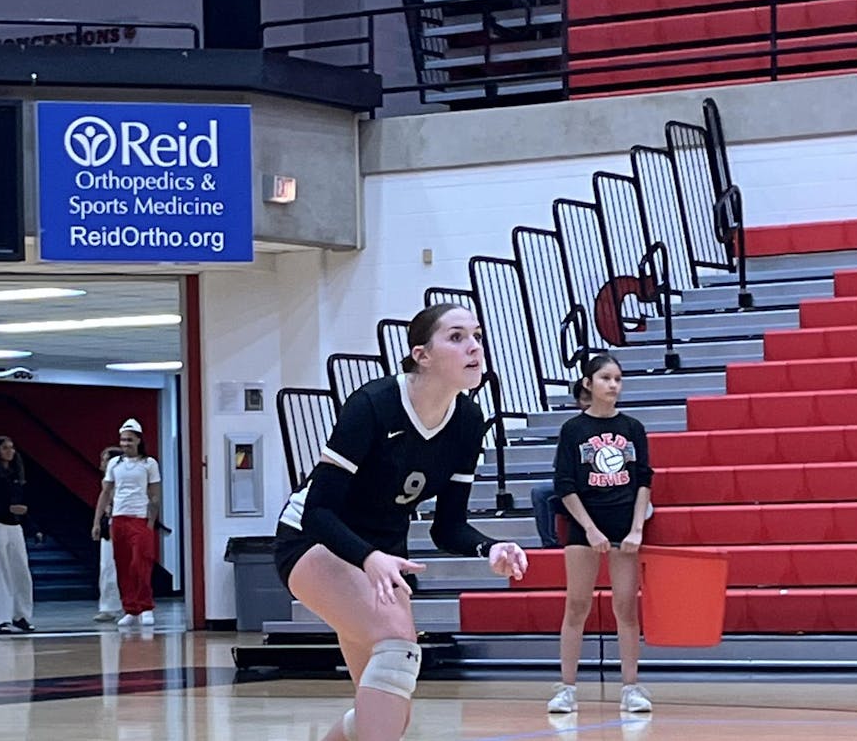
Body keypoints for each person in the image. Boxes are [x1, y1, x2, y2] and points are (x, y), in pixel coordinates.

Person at [275, 303, 529, 741]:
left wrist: (490, 548)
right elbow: (319, 510)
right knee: (397, 648)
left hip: (383, 554)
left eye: (478, 336)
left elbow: (447, 527)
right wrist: (368, 557)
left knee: (386, 713)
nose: (474, 347)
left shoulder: (468, 421)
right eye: (456, 336)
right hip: (314, 540)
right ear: (422, 354)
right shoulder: (374, 404)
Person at [548, 353, 653, 714]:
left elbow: (643, 481)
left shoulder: (633, 428)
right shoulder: (573, 430)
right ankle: (567, 689)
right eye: (606, 378)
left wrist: (637, 527)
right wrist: (590, 530)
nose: (613, 385)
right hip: (583, 526)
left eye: (618, 379)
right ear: (588, 384)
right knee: (577, 605)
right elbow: (564, 484)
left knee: (626, 607)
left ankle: (631, 688)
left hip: (625, 526)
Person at [93, 418, 161, 627]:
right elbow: (105, 493)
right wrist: (97, 522)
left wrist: (150, 522)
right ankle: (131, 608)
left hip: (139, 519)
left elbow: (155, 495)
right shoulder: (115, 464)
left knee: (140, 564)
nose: (125, 444)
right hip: (118, 520)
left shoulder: (149, 464)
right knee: (122, 566)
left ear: (139, 440)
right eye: (122, 440)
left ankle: (146, 606)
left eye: (129, 440)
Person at [0, 436, 35, 635]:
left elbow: (21, 507)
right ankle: (0, 618)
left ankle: (21, 616)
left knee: (21, 573)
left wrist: (31, 527)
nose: (10, 451)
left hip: (14, 527)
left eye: (12, 447)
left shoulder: (15, 474)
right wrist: (10, 509)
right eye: (5, 448)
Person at [530, 380, 592, 548]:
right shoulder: (571, 429)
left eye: (591, 398)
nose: (588, 403)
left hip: (607, 488)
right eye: (584, 399)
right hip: (577, 487)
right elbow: (561, 470)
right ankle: (550, 545)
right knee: (541, 493)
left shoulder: (621, 425)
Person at [92, 446, 124, 622]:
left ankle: (131, 605)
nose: (101, 465)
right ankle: (109, 606)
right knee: (107, 567)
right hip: (110, 525)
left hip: (124, 524)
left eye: (104, 460)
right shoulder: (106, 482)